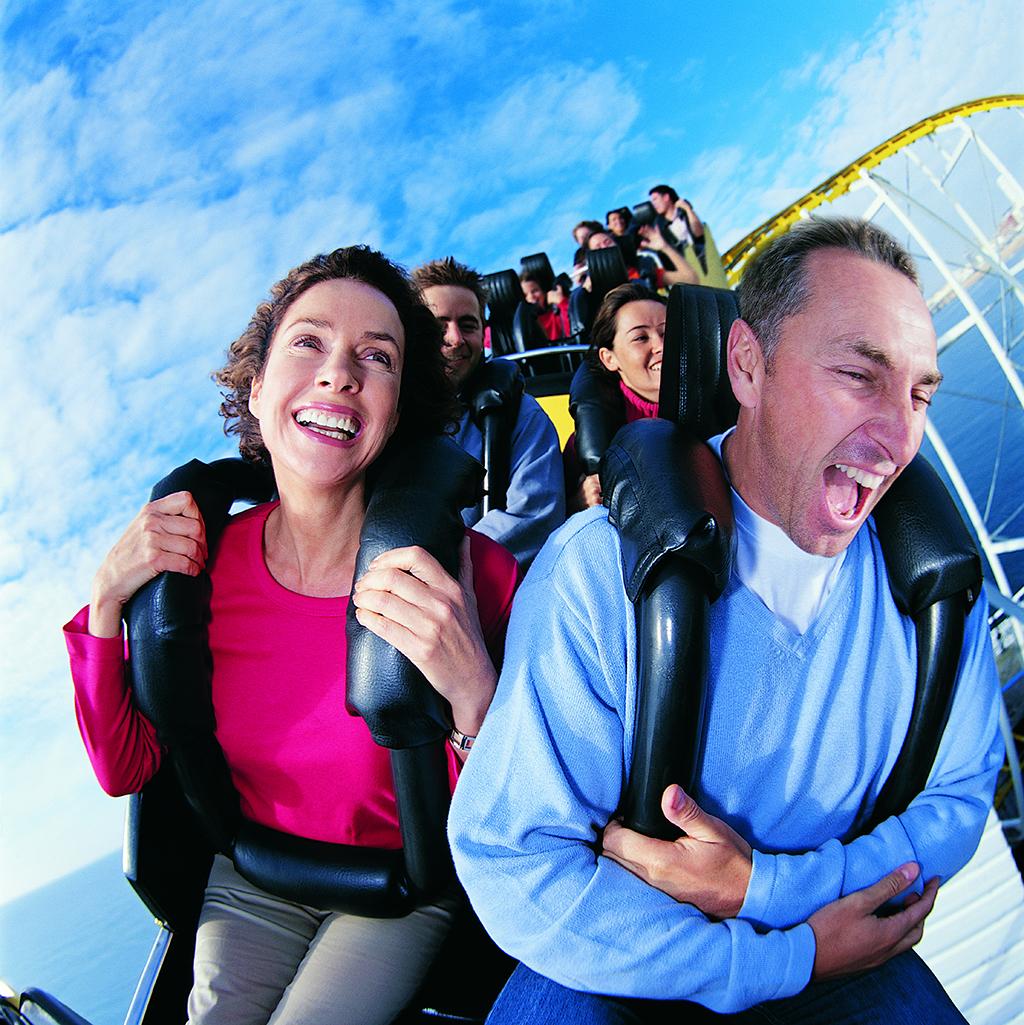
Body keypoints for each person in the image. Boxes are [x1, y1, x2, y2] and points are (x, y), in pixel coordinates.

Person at [448, 219, 1004, 1023]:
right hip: (633, 959)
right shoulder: (594, 575)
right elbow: (514, 858)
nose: (898, 437)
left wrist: (769, 892)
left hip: (842, 949)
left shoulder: (934, 591)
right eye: (858, 373)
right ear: (746, 363)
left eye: (920, 393)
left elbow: (958, 794)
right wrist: (780, 954)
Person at [65, 246, 520, 1025]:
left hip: (403, 886)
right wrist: (105, 603)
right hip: (252, 874)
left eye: (375, 357)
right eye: (308, 342)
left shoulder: (473, 575)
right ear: (257, 384)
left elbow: (528, 811)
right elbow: (125, 764)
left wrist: (476, 696)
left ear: (400, 407)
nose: (339, 373)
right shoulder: (196, 569)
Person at [413, 256, 565, 567]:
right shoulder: (384, 411)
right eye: (438, 324)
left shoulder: (521, 413)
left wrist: (437, 572)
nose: (455, 339)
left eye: (467, 325)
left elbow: (532, 517)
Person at [563, 283, 665, 512]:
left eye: (667, 332)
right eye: (640, 338)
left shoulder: (726, 402)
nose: (660, 346)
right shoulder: (589, 437)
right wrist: (578, 503)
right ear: (609, 359)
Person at [587, 230, 697, 289]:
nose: (605, 247)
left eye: (607, 242)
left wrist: (665, 247)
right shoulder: (594, 288)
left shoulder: (642, 270)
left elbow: (691, 279)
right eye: (598, 247)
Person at [649, 182, 705, 258]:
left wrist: (688, 210)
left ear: (666, 197)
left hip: (702, 256)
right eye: (652, 202)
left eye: (655, 199)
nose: (654, 204)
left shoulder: (684, 212)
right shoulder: (659, 226)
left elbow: (699, 234)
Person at [521, 271, 568, 340]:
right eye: (525, 295)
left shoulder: (556, 312)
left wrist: (562, 302)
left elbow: (572, 332)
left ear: (544, 291)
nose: (531, 296)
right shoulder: (524, 325)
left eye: (534, 291)